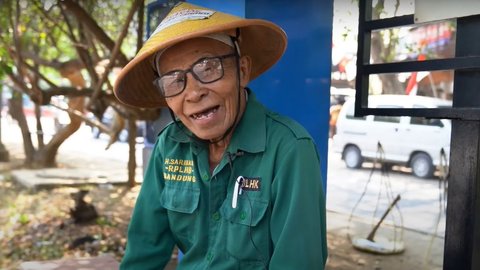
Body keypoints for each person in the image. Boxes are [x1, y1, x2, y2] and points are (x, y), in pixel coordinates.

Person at [114, 2, 327, 269]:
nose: (193, 93)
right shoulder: (170, 145)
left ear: (242, 71)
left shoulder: (289, 149)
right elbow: (143, 253)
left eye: (207, 68)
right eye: (173, 81)